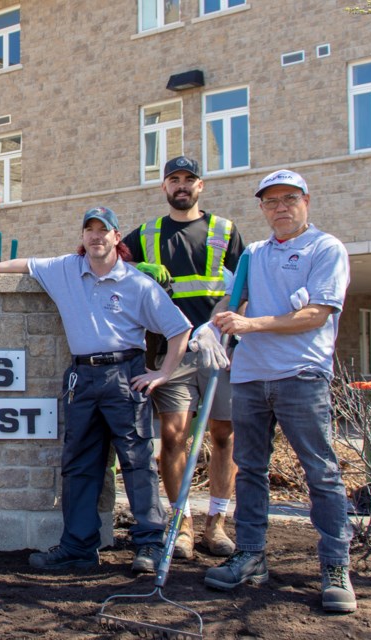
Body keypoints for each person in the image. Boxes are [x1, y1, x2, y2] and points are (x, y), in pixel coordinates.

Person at [0, 206, 192, 574]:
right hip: (82, 378)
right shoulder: (66, 269)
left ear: (117, 237)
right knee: (79, 464)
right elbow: (28, 265)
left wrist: (162, 373)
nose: (96, 236)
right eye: (89, 230)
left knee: (137, 462)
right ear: (83, 237)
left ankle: (149, 545)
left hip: (124, 376)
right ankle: (78, 546)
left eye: (104, 230)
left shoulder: (137, 283)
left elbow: (179, 328)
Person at [205, 170, 355, 613]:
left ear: (306, 201)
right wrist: (211, 327)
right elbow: (234, 304)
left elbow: (316, 315)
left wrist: (252, 325)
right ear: (262, 209)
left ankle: (335, 565)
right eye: (271, 202)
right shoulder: (253, 253)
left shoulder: (325, 249)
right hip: (250, 376)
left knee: (321, 473)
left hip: (301, 376)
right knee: (249, 469)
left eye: (289, 198)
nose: (280, 207)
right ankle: (251, 555)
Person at [122, 156, 246, 560]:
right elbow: (102, 260)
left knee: (224, 435)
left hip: (219, 348)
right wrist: (137, 266)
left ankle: (217, 523)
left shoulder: (225, 231)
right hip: (170, 351)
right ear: (163, 187)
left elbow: (245, 285)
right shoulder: (146, 233)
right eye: (173, 179)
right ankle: (181, 524)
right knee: (174, 437)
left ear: (200, 186)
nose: (181, 185)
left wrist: (226, 324)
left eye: (189, 179)